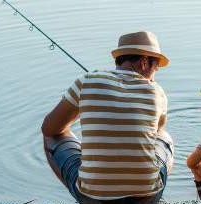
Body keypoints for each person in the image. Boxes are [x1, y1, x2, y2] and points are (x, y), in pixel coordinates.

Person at [42, 31, 174, 204]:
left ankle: (86, 191)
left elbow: (49, 129)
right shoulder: (157, 92)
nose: (155, 73)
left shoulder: (87, 81)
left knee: (51, 135)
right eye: (155, 67)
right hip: (147, 197)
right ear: (144, 62)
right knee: (164, 137)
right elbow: (156, 131)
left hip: (93, 198)